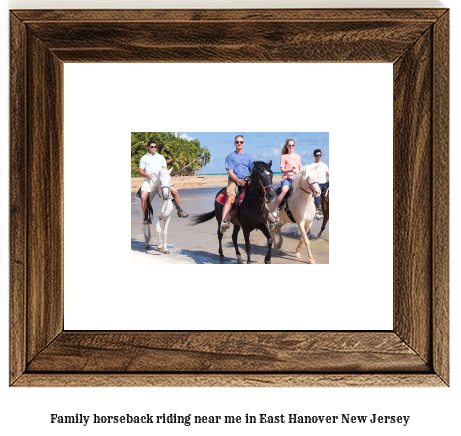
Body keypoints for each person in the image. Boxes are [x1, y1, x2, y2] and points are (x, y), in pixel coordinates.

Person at [139, 140, 189, 224]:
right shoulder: (144, 158)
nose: (154, 148)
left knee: (175, 191)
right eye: (152, 147)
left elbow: (165, 168)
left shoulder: (161, 157)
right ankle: (146, 217)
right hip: (149, 180)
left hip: (161, 179)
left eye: (155, 147)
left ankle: (180, 211)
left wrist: (166, 176)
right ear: (148, 148)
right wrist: (147, 175)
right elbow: (141, 171)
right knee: (143, 196)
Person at [220, 135, 253, 233]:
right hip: (234, 180)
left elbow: (252, 171)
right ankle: (224, 222)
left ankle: (271, 218)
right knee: (230, 198)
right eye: (237, 142)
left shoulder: (249, 157)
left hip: (246, 179)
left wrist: (248, 180)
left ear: (244, 143)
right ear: (234, 143)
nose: (239, 143)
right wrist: (239, 181)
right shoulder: (230, 156)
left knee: (259, 193)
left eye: (241, 142)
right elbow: (230, 172)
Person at [271, 139, 302, 232]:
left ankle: (315, 210)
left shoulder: (298, 156)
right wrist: (290, 170)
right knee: (284, 191)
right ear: (286, 146)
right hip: (287, 178)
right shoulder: (284, 157)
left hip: (296, 179)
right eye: (289, 145)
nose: (291, 147)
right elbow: (282, 170)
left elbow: (301, 167)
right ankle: (276, 210)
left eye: (293, 145)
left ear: (294, 146)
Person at [311, 148, 329, 219]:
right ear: (314, 156)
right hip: (316, 185)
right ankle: (318, 211)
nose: (318, 156)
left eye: (320, 155)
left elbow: (328, 173)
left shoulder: (324, 165)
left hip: (324, 183)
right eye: (317, 155)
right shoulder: (312, 165)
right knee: (318, 197)